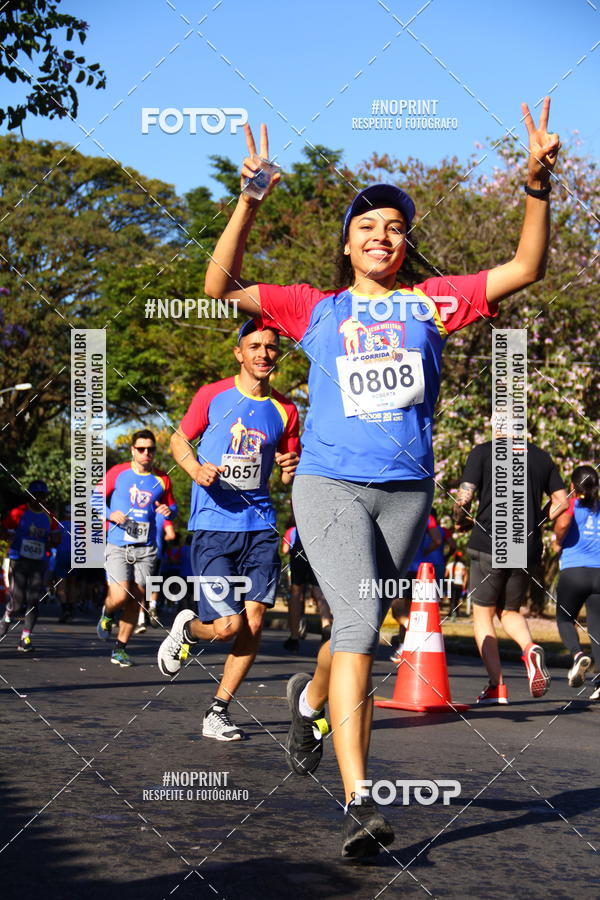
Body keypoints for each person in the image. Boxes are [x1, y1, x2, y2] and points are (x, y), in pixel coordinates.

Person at [201, 99, 560, 857]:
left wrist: (536, 184)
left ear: (405, 245)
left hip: (406, 495)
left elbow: (527, 267)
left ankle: (306, 700)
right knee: (363, 626)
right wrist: (250, 199)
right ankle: (361, 801)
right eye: (367, 225)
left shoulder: (433, 303)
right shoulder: (314, 309)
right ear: (348, 243)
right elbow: (218, 285)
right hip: (328, 486)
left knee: (351, 630)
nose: (381, 235)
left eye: (395, 227)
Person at [158, 319, 300, 741]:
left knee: (254, 622)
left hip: (260, 528)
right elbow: (178, 440)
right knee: (227, 627)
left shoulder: (286, 410)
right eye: (254, 346)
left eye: (271, 347)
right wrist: (194, 468)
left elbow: (289, 471)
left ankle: (217, 710)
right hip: (214, 527)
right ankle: (187, 629)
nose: (263, 353)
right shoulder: (213, 396)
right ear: (239, 353)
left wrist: (291, 467)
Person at [453, 437, 567, 704]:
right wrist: (535, 519)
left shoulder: (482, 452)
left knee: (483, 616)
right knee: (509, 611)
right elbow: (561, 501)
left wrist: (461, 520)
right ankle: (530, 649)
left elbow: (463, 499)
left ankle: (498, 686)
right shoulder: (541, 456)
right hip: (525, 546)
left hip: (489, 543)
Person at [95, 430, 177, 667]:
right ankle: (108, 613)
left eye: (150, 449)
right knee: (120, 595)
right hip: (119, 544)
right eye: (141, 449)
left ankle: (120, 648)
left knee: (137, 598)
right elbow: (93, 498)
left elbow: (172, 507)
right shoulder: (118, 473)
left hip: (147, 548)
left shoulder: (162, 479)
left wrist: (169, 512)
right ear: (132, 450)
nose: (146, 453)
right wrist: (111, 514)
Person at [552, 465, 600, 700]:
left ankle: (577, 654)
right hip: (598, 573)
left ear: (572, 486)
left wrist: (558, 541)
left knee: (564, 619)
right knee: (597, 628)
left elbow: (562, 523)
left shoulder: (572, 504)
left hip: (574, 571)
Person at [0, 480, 59, 652]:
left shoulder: (49, 516)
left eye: (42, 495)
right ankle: (7, 616)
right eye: (35, 495)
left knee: (34, 600)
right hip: (19, 560)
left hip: (39, 562)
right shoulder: (18, 512)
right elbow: (3, 530)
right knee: (17, 601)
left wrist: (51, 541)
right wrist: (7, 536)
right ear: (30, 496)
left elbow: (57, 538)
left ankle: (25, 637)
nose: (39, 499)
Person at [388, 513, 441, 662]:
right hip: (417, 570)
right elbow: (437, 540)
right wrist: (423, 552)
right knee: (411, 611)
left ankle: (418, 635)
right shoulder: (428, 516)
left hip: (400, 567)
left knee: (398, 612)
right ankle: (405, 648)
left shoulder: (398, 511)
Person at [281, 520, 333, 653]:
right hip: (320, 543)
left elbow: (285, 549)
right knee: (318, 589)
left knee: (296, 590)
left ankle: (294, 637)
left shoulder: (291, 530)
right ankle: (326, 625)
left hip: (301, 545)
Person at [445, 550, 468, 621]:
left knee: (451, 599)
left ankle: (453, 611)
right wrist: (464, 584)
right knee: (456, 599)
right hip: (458, 583)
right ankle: (454, 611)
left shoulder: (449, 565)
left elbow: (446, 575)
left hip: (451, 583)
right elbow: (465, 575)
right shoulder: (461, 565)